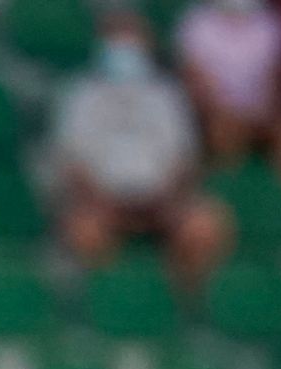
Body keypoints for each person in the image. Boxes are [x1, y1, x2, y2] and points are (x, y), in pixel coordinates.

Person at [52, 11, 234, 291]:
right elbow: (73, 162)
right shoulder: (80, 95)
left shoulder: (167, 94)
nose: (125, 52)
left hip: (161, 200)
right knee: (85, 231)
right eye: (116, 42)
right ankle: (112, 300)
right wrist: (100, 199)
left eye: (131, 43)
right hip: (103, 202)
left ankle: (187, 309)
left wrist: (168, 197)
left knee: (206, 225)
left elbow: (184, 157)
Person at [174, 0, 281, 206]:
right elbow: (197, 83)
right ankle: (230, 212)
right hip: (218, 114)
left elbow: (277, 79)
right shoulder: (197, 23)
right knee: (225, 132)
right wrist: (226, 112)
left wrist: (265, 111)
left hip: (263, 113)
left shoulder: (270, 22)